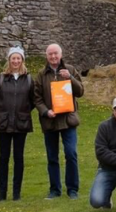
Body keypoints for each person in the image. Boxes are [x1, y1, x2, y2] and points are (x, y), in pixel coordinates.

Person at [34, 43, 85, 199]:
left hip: (68, 120)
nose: (53, 57)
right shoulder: (41, 75)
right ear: (46, 56)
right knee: (52, 156)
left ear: (61, 54)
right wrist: (45, 111)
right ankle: (55, 190)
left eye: (56, 53)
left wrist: (69, 79)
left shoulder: (70, 70)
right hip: (50, 121)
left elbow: (81, 91)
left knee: (71, 154)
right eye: (50, 54)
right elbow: (37, 98)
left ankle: (72, 189)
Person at [0, 45, 35, 201]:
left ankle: (16, 193)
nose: (16, 61)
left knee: (19, 158)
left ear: (22, 60)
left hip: (21, 122)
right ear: (9, 60)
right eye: (13, 58)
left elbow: (33, 100)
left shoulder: (28, 79)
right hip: (4, 123)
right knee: (4, 157)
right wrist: (2, 111)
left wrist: (23, 111)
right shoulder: (1, 78)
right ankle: (2, 193)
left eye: (18, 58)